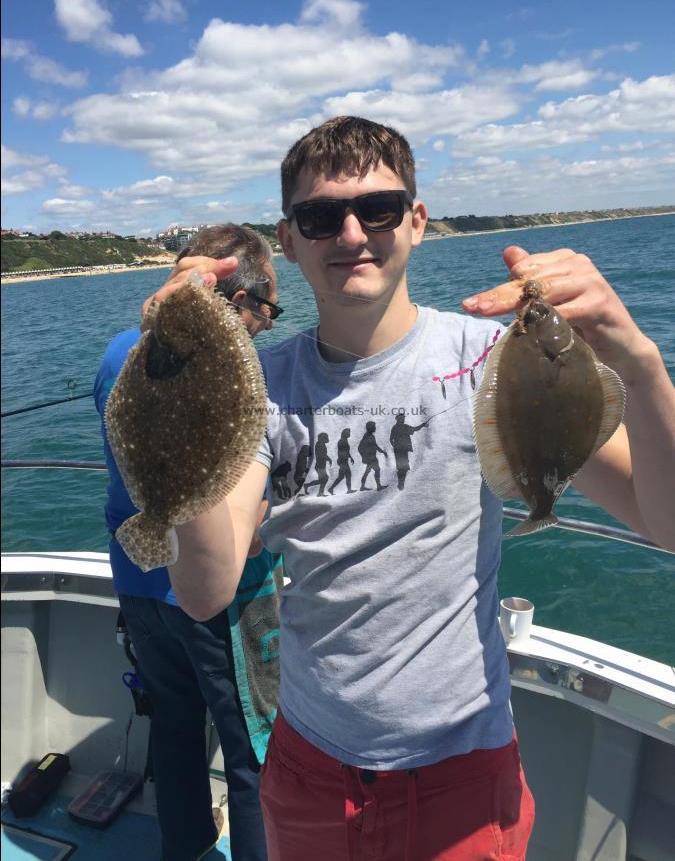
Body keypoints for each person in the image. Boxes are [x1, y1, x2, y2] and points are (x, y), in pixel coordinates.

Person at [143, 118, 675, 860]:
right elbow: (204, 590)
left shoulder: (496, 357)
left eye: (379, 209)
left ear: (416, 222)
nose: (351, 233)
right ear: (289, 239)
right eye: (320, 217)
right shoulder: (257, 390)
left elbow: (665, 521)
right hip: (307, 760)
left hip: (460, 766)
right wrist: (184, 393)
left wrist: (639, 362)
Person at [94, 224, 284, 861]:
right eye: (269, 308)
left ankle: (185, 851)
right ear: (241, 292)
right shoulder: (240, 366)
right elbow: (246, 508)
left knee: (172, 730)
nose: (266, 324)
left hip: (137, 580)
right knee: (251, 752)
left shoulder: (119, 350)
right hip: (216, 592)